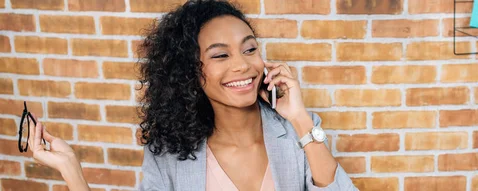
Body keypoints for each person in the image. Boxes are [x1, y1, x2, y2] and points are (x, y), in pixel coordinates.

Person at [25, 0, 358, 190]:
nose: (242, 65)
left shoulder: (299, 133)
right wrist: (72, 171)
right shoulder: (170, 152)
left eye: (250, 49)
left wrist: (300, 119)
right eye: (220, 55)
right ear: (190, 72)